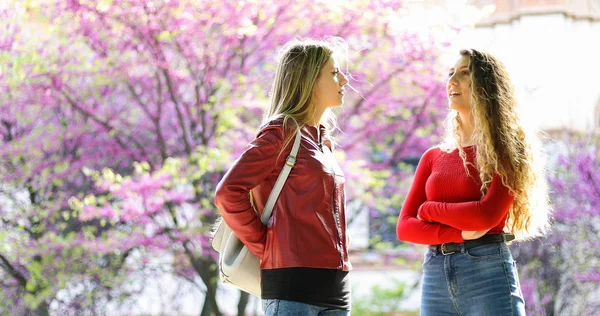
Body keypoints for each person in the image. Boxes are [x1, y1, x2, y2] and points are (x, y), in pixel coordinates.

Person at [396, 49, 550, 315]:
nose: (452, 81)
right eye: (451, 74)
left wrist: (429, 210)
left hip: (486, 270)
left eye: (464, 73)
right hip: (435, 272)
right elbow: (405, 228)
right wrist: (457, 232)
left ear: (486, 85)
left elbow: (485, 216)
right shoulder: (432, 157)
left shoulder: (507, 149)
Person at [214, 38, 352, 316]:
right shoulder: (281, 132)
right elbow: (227, 193)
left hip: (336, 288)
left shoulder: (322, 141)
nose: (345, 81)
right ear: (308, 79)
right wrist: (265, 245)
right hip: (292, 288)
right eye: (334, 73)